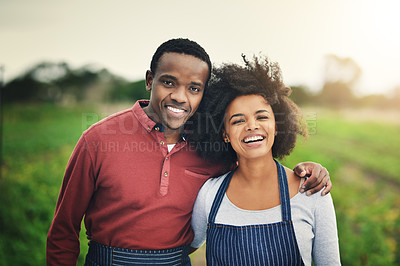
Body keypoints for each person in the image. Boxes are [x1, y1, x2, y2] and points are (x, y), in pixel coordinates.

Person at [46, 39, 332, 265]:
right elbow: (63, 232)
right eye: (168, 82)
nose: (180, 97)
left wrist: (309, 169)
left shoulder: (211, 148)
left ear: (203, 94)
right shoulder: (97, 140)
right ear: (150, 80)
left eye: (194, 88)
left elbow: (255, 157)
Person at [190, 55, 340, 265]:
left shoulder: (313, 192)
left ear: (277, 125)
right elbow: (182, 250)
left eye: (261, 117)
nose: (251, 126)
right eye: (238, 120)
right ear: (224, 134)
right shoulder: (210, 194)